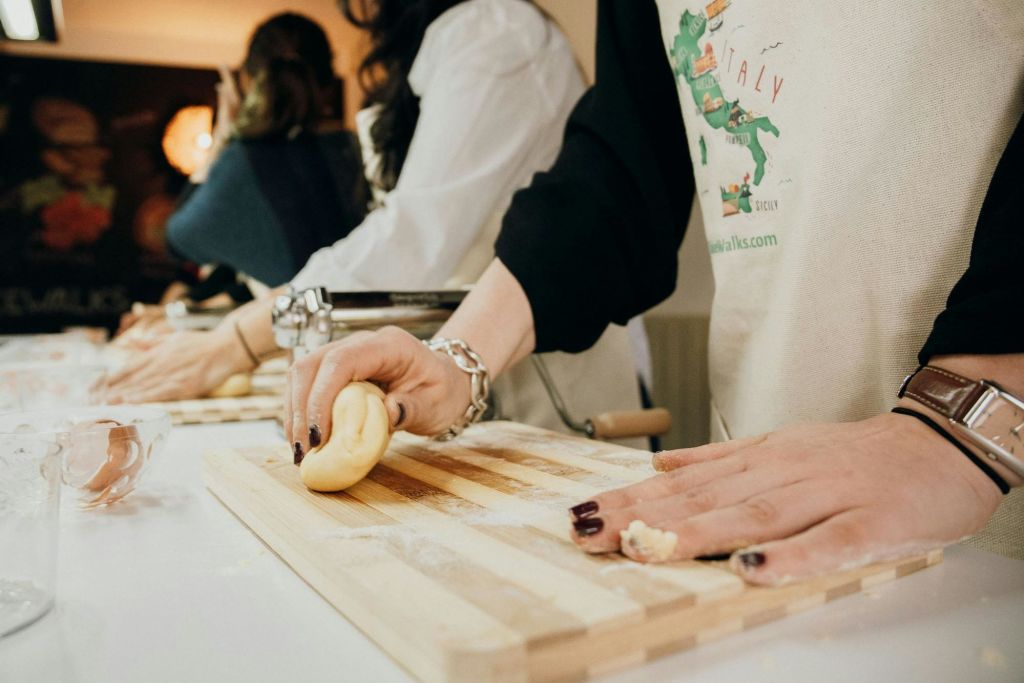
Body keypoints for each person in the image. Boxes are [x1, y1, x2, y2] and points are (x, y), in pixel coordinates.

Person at [284, 1, 1023, 583]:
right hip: (749, 483)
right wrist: (454, 356)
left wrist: (972, 411)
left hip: (991, 496)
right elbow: (624, 164)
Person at [107, 0, 649, 443]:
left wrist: (236, 341)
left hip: (544, 374)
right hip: (460, 370)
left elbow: (409, 242)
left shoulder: (496, 30)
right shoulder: (432, 51)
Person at [165, 12, 368, 288]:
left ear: (247, 81)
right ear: (329, 83)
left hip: (290, 324)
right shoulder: (357, 150)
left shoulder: (242, 161)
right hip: (372, 322)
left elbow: (178, 241)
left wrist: (221, 140)